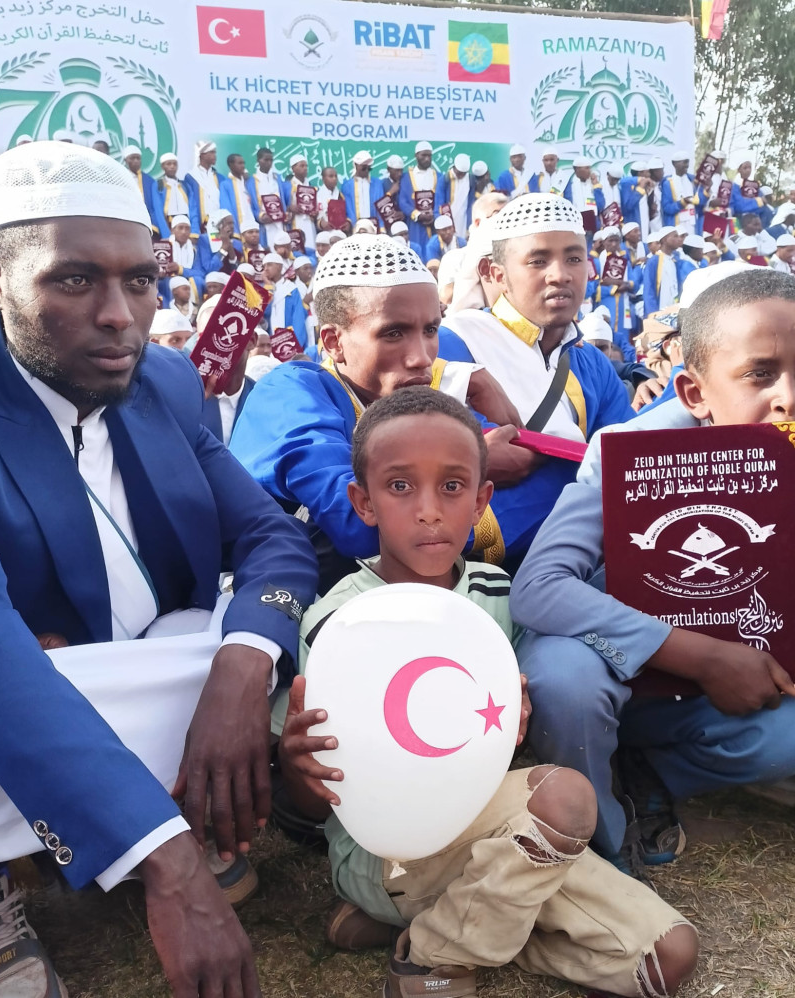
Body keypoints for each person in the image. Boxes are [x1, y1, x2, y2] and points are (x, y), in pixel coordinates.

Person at [0, 139, 318, 997]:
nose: (120, 316)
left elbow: (273, 541)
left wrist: (241, 670)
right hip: (21, 682)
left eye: (139, 280)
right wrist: (170, 866)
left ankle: (182, 804)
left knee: (260, 632)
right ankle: (108, 846)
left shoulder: (162, 382)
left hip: (130, 666)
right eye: (75, 280)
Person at [278, 386, 699, 998]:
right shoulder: (339, 622)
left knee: (666, 958)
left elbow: (516, 716)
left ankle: (429, 921)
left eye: (452, 487)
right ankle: (432, 958)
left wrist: (521, 713)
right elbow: (321, 799)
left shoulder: (501, 594)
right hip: (389, 856)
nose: (429, 510)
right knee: (564, 798)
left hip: (508, 844)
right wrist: (298, 767)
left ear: (480, 501)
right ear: (363, 503)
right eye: (400, 487)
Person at [509, 266, 795, 877]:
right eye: (759, 374)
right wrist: (702, 657)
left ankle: (649, 771)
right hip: (617, 670)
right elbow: (538, 589)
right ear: (694, 393)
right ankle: (599, 848)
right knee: (564, 680)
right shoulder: (631, 453)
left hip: (730, 683)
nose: (788, 397)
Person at [230, 233, 580, 590]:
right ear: (334, 342)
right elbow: (362, 525)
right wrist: (467, 469)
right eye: (394, 333)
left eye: (431, 330)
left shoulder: (419, 398)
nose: (421, 357)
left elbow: (551, 475)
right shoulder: (287, 392)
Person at [442, 194, 634, 437]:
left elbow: (626, 451)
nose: (560, 275)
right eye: (538, 261)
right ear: (497, 275)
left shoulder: (593, 363)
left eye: (574, 259)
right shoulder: (452, 344)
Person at [594, 226, 640, 361]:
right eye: (610, 241)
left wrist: (624, 284)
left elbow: (634, 283)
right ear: (603, 242)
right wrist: (614, 289)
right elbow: (595, 287)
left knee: (622, 335)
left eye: (617, 241)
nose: (614, 244)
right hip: (606, 303)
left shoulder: (624, 260)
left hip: (623, 304)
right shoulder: (598, 261)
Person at [398, 141, 441, 259]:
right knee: (415, 254)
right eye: (424, 155)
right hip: (415, 224)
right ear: (416, 155)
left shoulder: (438, 176)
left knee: (433, 255)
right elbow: (403, 201)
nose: (427, 159)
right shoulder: (407, 177)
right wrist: (418, 215)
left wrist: (434, 216)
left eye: (429, 155)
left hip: (433, 223)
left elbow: (441, 200)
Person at [261, 252, 309, 349]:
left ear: (279, 267)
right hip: (270, 343)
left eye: (269, 265)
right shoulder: (263, 290)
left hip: (290, 342)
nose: (265, 269)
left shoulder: (290, 288)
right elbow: (264, 313)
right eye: (264, 266)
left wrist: (296, 345)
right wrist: (269, 287)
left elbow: (298, 319)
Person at [122, 145, 168, 237]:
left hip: (146, 222)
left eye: (138, 158)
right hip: (127, 219)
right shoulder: (120, 177)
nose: (136, 161)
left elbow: (154, 206)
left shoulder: (149, 181)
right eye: (132, 158)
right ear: (125, 160)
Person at [282, 152, 318, 257]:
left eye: (306, 166)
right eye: (301, 166)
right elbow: (283, 205)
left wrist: (315, 212)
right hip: (295, 222)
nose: (305, 168)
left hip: (309, 223)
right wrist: (290, 208)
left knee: (312, 249)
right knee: (297, 250)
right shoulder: (287, 186)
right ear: (293, 168)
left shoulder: (310, 185)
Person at [184, 140, 224, 234]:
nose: (215, 156)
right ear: (202, 155)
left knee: (217, 242)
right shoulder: (191, 177)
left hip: (219, 224)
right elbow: (192, 204)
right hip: (201, 226)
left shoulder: (220, 178)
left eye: (215, 153)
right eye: (212, 152)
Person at [250, 147, 286, 248]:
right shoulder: (251, 181)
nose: (269, 163)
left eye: (271, 160)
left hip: (280, 222)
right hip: (265, 224)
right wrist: (260, 216)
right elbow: (250, 205)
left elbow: (284, 200)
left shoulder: (277, 178)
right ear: (258, 160)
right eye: (266, 160)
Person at [157, 152, 199, 233]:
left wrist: (195, 231)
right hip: (169, 223)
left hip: (186, 222)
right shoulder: (158, 185)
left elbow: (193, 208)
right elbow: (158, 211)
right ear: (162, 166)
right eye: (168, 164)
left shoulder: (185, 185)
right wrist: (166, 233)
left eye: (174, 164)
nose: (172, 166)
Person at [661, 152, 702, 234]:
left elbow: (701, 202)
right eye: (684, 162)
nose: (686, 165)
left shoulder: (692, 180)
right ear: (674, 164)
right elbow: (666, 208)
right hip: (677, 224)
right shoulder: (667, 183)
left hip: (692, 224)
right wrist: (682, 203)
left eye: (687, 162)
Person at [341, 151, 384, 230]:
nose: (367, 170)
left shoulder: (377, 183)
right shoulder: (347, 186)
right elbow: (348, 210)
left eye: (369, 168)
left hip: (374, 227)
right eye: (364, 168)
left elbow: (381, 207)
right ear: (355, 165)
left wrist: (381, 227)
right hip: (356, 228)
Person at [220, 153, 260, 237]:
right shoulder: (225, 184)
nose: (243, 166)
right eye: (240, 163)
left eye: (243, 163)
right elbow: (226, 208)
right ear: (231, 165)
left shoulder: (248, 182)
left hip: (252, 224)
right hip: (238, 226)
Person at [643, 226, 680, 313]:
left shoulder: (674, 260)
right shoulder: (654, 261)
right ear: (664, 239)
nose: (678, 239)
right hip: (659, 311)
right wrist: (652, 313)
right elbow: (648, 289)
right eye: (675, 236)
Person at [563, 157, 605, 232]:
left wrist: (596, 186)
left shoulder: (594, 185)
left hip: (593, 224)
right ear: (577, 169)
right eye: (587, 168)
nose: (590, 171)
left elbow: (601, 206)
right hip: (576, 224)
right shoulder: (570, 185)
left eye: (589, 168)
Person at [441, 153, 475, 239]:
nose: (461, 176)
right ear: (454, 167)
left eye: (463, 173)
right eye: (459, 173)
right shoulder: (445, 179)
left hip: (463, 219)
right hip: (448, 217)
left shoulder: (470, 180)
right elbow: (439, 203)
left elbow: (471, 203)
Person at [619, 162, 653, 241]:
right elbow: (628, 206)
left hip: (645, 223)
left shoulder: (645, 185)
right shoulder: (628, 184)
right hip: (634, 222)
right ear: (640, 173)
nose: (649, 174)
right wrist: (640, 186)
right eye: (647, 172)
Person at [317, 166, 348, 233]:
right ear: (323, 179)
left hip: (339, 232)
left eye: (336, 176)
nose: (334, 178)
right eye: (331, 176)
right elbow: (314, 218)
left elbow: (347, 214)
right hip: (324, 233)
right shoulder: (317, 196)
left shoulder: (341, 196)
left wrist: (347, 224)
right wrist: (321, 224)